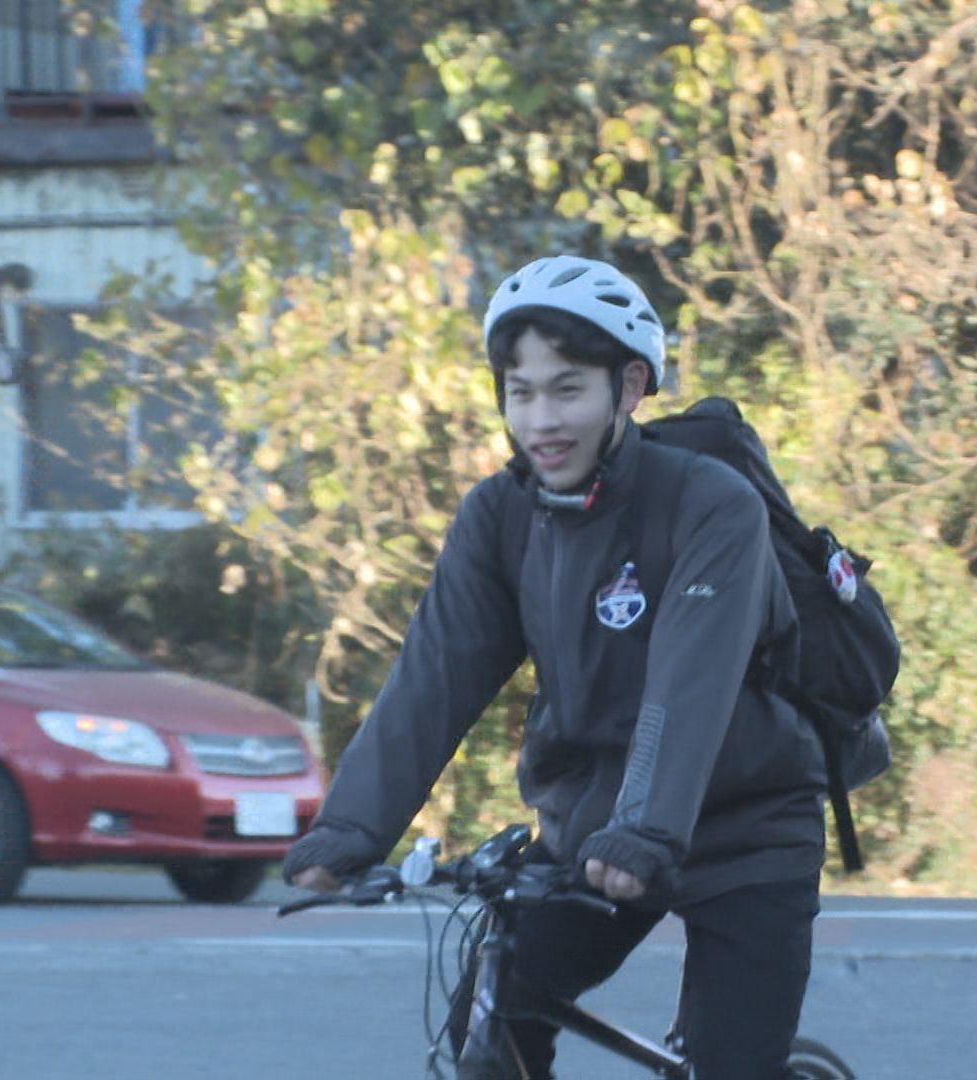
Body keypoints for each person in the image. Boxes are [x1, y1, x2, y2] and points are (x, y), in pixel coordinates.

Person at [282, 255, 829, 1080]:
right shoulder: (499, 516)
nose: (540, 419)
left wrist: (645, 830)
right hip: (591, 828)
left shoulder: (712, 504)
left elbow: (690, 682)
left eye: (568, 388)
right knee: (491, 1022)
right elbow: (434, 679)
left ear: (631, 385)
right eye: (520, 390)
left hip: (748, 825)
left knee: (731, 1063)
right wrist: (351, 829)